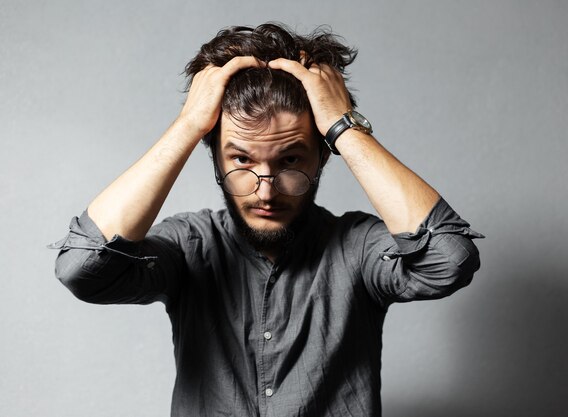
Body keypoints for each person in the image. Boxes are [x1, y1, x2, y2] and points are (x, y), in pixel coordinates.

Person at [50, 22, 483, 417]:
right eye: (241, 159)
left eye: (290, 160)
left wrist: (343, 125)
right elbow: (83, 268)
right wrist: (188, 126)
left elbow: (449, 260)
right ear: (215, 158)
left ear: (322, 157)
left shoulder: (357, 246)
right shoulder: (189, 245)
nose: (265, 190)